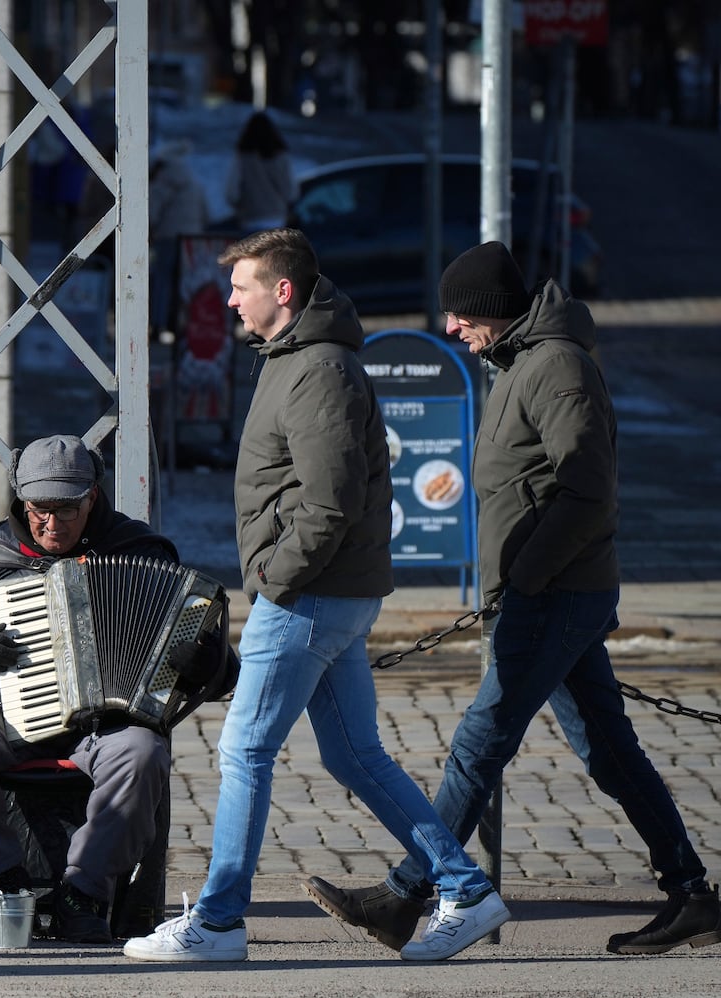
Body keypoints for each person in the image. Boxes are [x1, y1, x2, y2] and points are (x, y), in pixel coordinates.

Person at [304, 241, 721, 956]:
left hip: (554, 593)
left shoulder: (556, 366)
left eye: (462, 317)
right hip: (551, 591)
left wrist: (526, 573)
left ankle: (408, 893)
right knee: (609, 750)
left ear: (494, 313)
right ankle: (692, 895)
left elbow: (586, 489)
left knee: (478, 741)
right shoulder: (523, 364)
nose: (454, 330)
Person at [122, 228, 509, 965]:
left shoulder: (317, 370)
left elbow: (327, 502)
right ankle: (464, 886)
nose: (229, 298)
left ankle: (219, 920)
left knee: (243, 748)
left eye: (241, 285)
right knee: (355, 755)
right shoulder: (296, 360)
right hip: (327, 594)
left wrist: (273, 576)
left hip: (306, 598)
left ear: (284, 291)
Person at [0, 435, 234, 943]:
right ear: (21, 500)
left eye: (67, 511)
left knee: (143, 751)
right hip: (6, 714)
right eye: (39, 510)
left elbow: (223, 672)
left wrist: (206, 661)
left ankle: (85, 891)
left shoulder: (139, 551)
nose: (51, 524)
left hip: (108, 724)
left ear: (92, 498)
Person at [149, 142, 211, 339]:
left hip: (167, 237)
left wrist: (150, 231)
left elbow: (151, 213)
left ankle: (158, 324)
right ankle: (183, 324)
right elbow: (207, 214)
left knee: (162, 282)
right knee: (186, 283)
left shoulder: (161, 183)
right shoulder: (195, 182)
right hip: (191, 240)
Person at [223, 112, 296, 234]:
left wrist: (240, 207)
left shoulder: (242, 157)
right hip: (276, 219)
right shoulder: (281, 157)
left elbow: (232, 193)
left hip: (251, 218)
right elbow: (290, 192)